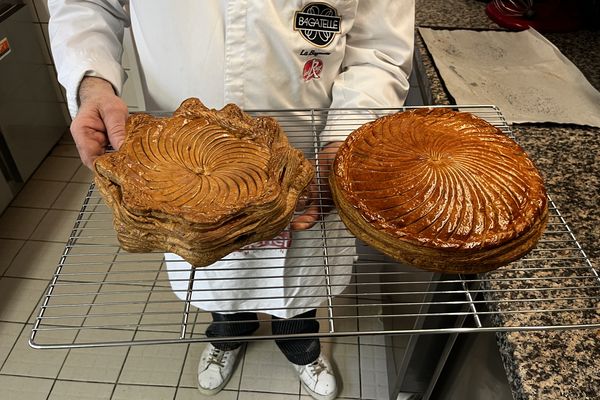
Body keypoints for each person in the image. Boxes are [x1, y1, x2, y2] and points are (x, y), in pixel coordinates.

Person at [48, 1, 415, 399]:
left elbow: (378, 49)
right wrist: (93, 82)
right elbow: (86, 4)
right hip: (183, 165)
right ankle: (227, 337)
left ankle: (302, 350)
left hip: (311, 154)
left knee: (297, 294)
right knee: (218, 282)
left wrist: (344, 140)